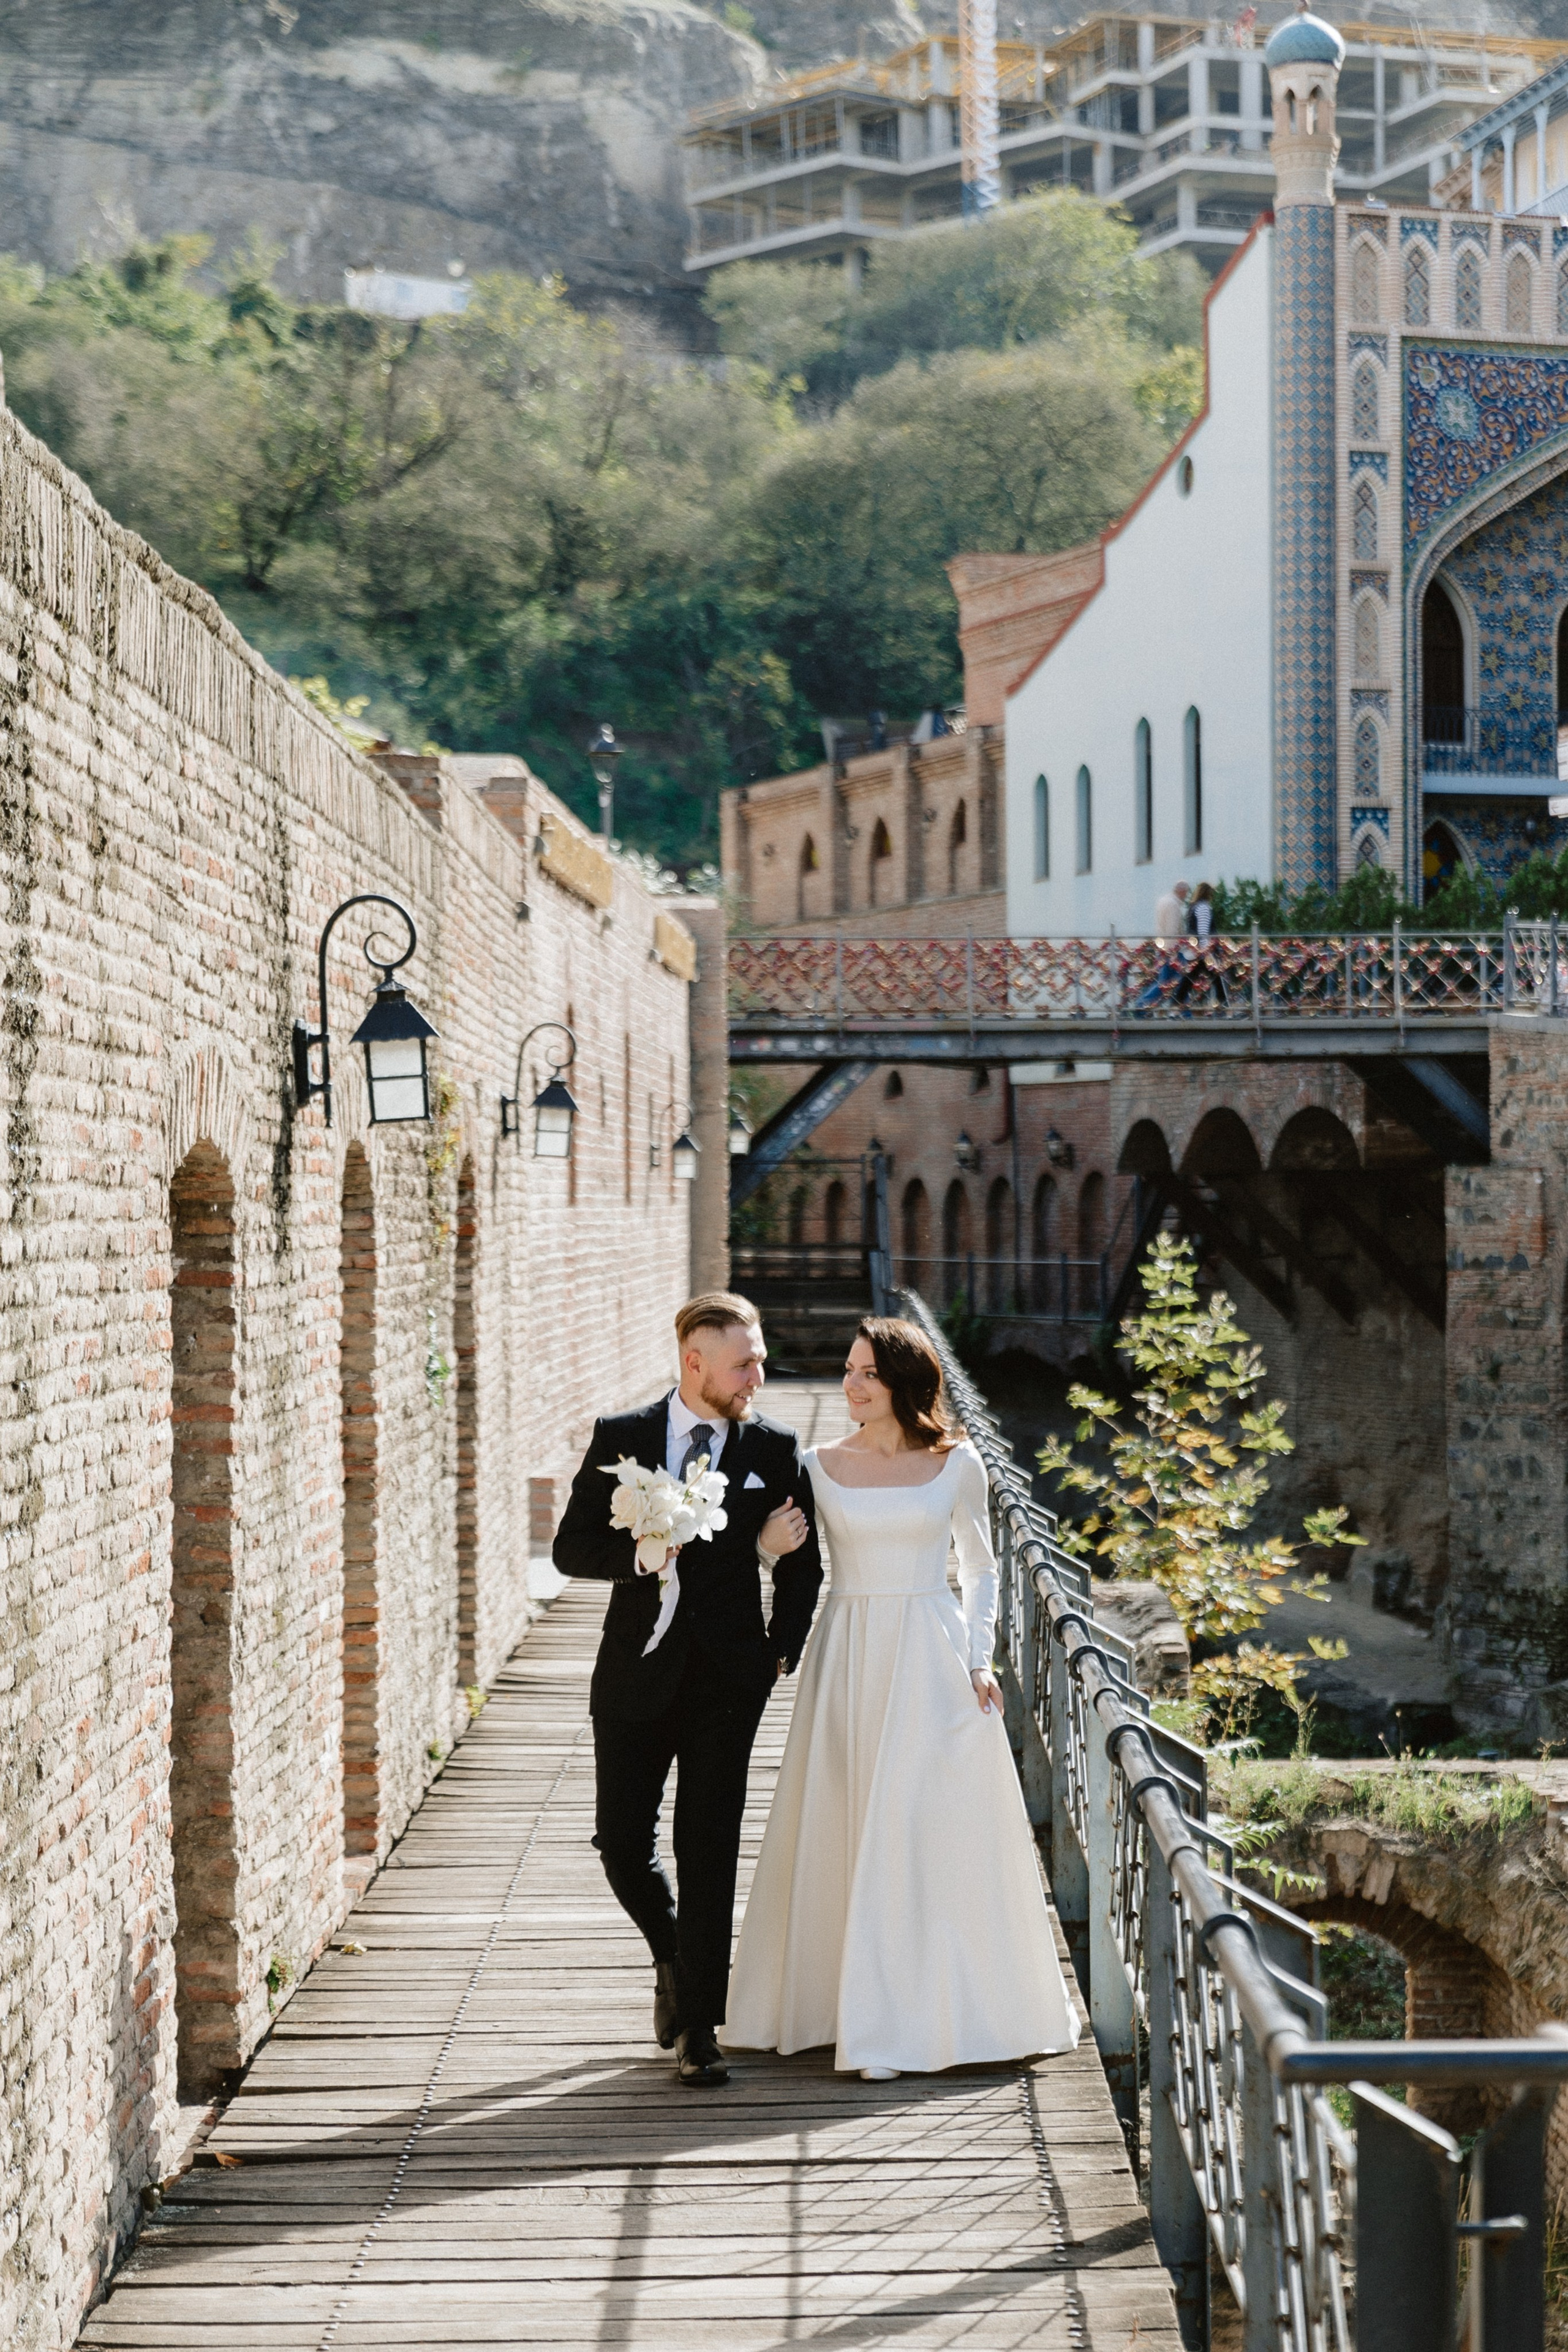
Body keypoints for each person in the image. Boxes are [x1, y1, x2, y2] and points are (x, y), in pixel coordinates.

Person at [720, 1318, 1081, 2079]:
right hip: (847, 1650)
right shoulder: (814, 1465)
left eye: (865, 1375)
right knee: (848, 1822)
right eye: (847, 1370)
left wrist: (980, 1660)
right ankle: (837, 2010)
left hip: (931, 1650)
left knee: (920, 1827)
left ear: (903, 1386)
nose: (849, 1384)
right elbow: (784, 1561)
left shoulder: (959, 1464)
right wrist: (763, 1549)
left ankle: (911, 2021)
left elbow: (981, 1570)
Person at [552, 1292, 823, 2087]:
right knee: (621, 1845)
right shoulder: (624, 1439)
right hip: (633, 1675)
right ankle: (674, 1957)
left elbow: (803, 1564)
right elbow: (571, 1546)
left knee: (707, 1850)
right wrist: (637, 1555)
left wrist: (782, 1652)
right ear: (694, 1361)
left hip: (729, 1684)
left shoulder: (774, 1447)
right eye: (744, 1362)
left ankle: (700, 2028)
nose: (758, 1375)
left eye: (761, 1358)